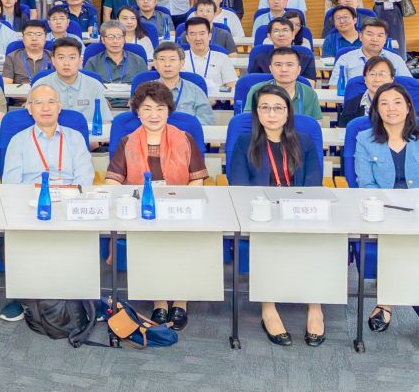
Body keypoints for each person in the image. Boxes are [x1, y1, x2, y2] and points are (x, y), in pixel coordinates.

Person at [350, 84, 419, 355]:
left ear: (408, 107)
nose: (391, 108)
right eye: (384, 103)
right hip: (381, 212)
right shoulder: (364, 139)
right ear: (376, 109)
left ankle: (387, 301)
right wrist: (392, 209)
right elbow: (366, 185)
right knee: (409, 248)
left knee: (411, 247)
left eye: (397, 102)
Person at [228, 84, 330, 338]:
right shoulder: (244, 142)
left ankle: (315, 306)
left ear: (288, 112)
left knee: (318, 240)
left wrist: (295, 210)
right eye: (265, 108)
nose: (271, 114)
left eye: (278, 108)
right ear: (257, 113)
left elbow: (313, 184)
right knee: (266, 240)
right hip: (259, 213)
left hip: (299, 210)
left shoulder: (304, 141)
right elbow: (240, 186)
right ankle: (268, 307)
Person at [104, 81, 206, 329]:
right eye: (147, 108)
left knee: (182, 244)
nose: (154, 115)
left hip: (179, 208)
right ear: (137, 112)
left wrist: (182, 204)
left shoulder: (184, 138)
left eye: (160, 108)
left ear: (168, 111)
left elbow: (197, 179)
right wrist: (127, 202)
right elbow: (112, 181)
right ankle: (159, 300)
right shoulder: (128, 141)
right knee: (151, 242)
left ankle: (180, 301)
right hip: (142, 210)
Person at [0, 82, 91, 185]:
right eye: (38, 102)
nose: (46, 108)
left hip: (70, 193)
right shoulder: (18, 141)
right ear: (29, 109)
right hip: (30, 194)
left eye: (51, 102)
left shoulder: (76, 138)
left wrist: (71, 194)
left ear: (59, 107)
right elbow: (11, 183)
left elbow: (84, 178)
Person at [35, 38, 111, 126]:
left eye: (72, 58)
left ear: (80, 60)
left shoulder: (95, 86)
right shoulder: (40, 86)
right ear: (53, 61)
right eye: (61, 58)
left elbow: (106, 122)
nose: (66, 63)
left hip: (87, 134)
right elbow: (31, 122)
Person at [246, 46, 324, 120]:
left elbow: (317, 124)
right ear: (271, 69)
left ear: (299, 69)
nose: (284, 69)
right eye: (278, 65)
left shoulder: (309, 93)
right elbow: (247, 122)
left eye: (289, 65)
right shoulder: (257, 91)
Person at [329, 18, 411, 88]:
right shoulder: (345, 59)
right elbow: (334, 87)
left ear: (385, 39)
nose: (374, 39)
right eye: (370, 34)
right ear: (360, 36)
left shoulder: (396, 60)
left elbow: (409, 85)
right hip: (354, 101)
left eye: (380, 35)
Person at [148, 42, 213, 124]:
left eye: (172, 59)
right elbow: (136, 119)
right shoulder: (145, 91)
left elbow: (206, 122)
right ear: (155, 63)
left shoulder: (195, 92)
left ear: (182, 63)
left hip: (186, 132)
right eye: (162, 59)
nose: (167, 64)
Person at [337, 56, 399, 128]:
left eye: (382, 74)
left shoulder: (400, 104)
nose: (377, 79)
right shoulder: (351, 104)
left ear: (391, 79)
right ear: (365, 79)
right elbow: (344, 131)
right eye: (372, 74)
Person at [248, 18, 317, 77]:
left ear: (293, 35)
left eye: (285, 30)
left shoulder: (306, 56)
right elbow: (254, 82)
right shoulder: (259, 57)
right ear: (269, 36)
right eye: (276, 31)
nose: (281, 34)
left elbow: (309, 84)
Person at [83, 21, 148, 85]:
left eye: (119, 37)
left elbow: (146, 86)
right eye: (111, 37)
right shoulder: (93, 62)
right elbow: (86, 86)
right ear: (103, 40)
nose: (115, 41)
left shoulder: (138, 61)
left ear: (124, 39)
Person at [2, 20, 52, 85]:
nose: (34, 38)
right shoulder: (12, 57)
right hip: (20, 91)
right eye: (29, 34)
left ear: (45, 38)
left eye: (39, 35)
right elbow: (7, 84)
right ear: (23, 38)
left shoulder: (53, 57)